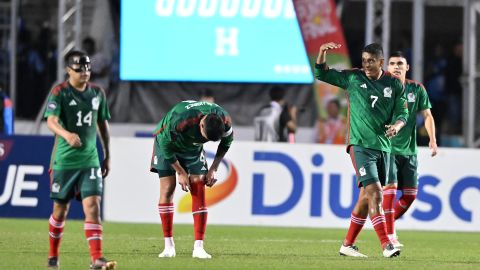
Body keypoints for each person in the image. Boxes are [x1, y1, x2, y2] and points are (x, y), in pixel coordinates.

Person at [315, 42, 408, 258]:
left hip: (383, 147)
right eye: (364, 60)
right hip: (360, 145)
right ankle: (386, 245)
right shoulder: (353, 78)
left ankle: (347, 245)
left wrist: (397, 126)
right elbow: (321, 73)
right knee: (375, 192)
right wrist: (321, 52)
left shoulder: (394, 84)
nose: (366, 64)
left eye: (371, 61)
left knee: (365, 198)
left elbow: (402, 113)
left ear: (381, 62)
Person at [44, 50, 116, 270]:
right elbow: (51, 121)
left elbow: (102, 125)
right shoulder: (60, 92)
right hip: (64, 161)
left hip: (90, 160)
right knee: (60, 210)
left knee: (93, 206)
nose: (84, 72)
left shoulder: (97, 93)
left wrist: (107, 155)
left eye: (87, 68)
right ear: (68, 70)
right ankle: (53, 256)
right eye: (79, 68)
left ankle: (96, 259)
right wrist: (66, 134)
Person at [150, 100, 233, 259]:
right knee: (168, 189)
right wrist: (180, 172)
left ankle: (199, 248)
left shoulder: (225, 120)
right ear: (201, 125)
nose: (206, 141)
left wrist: (213, 168)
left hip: (192, 150)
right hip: (167, 144)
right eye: (206, 137)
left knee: (198, 187)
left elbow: (227, 142)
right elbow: (166, 146)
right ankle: (169, 246)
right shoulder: (181, 121)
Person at [384, 51, 438, 247]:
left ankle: (386, 223)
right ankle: (390, 235)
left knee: (410, 195)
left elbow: (428, 116)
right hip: (387, 149)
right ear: (387, 67)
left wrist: (432, 139)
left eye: (400, 63)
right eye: (392, 63)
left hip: (409, 151)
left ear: (407, 68)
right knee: (389, 193)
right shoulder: (381, 88)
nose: (396, 66)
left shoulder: (417, 89)